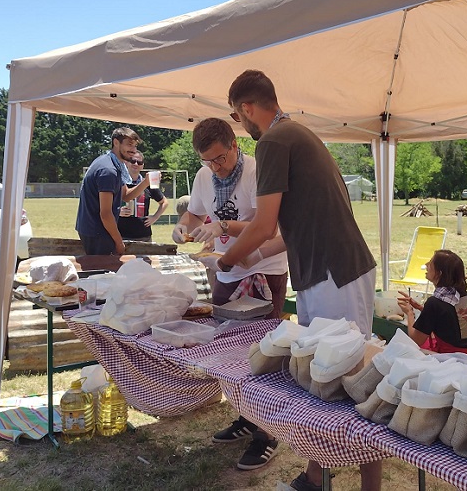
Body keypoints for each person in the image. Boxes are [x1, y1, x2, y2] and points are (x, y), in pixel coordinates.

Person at [200, 70, 380, 491]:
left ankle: (358, 481)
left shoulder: (275, 141)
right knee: (333, 380)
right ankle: (317, 476)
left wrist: (226, 261)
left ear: (246, 109)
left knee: (347, 382)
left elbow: (263, 224)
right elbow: (286, 228)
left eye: (236, 114)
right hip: (334, 270)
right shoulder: (297, 133)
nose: (240, 123)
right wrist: (257, 253)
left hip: (334, 273)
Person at [171, 117, 289, 472]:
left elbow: (268, 226)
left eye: (220, 158)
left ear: (235, 146)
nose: (215, 167)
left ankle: (267, 433)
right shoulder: (205, 176)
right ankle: (244, 416)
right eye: (207, 161)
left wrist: (221, 226)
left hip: (264, 266)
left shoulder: (257, 171)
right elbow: (194, 214)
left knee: (265, 351)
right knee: (225, 347)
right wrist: (183, 228)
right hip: (226, 266)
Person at [76, 127, 150, 255]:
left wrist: (146, 182)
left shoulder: (116, 164)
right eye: (129, 145)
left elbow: (126, 196)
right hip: (97, 233)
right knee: (102, 273)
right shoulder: (108, 170)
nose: (133, 150)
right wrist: (118, 241)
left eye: (135, 146)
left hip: (99, 230)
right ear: (116, 142)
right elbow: (105, 213)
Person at [398, 249, 467, 353]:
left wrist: (409, 313)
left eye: (430, 263)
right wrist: (421, 308)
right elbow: (449, 319)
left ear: (439, 274)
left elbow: (416, 340)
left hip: (452, 358)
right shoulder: (464, 295)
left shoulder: (435, 303)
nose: (426, 265)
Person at [117, 151, 169, 242]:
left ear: (142, 166)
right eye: (132, 161)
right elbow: (105, 205)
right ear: (126, 162)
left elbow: (164, 202)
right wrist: (118, 211)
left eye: (139, 162)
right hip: (121, 235)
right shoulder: (119, 182)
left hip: (143, 235)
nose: (136, 164)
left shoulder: (148, 183)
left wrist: (155, 217)